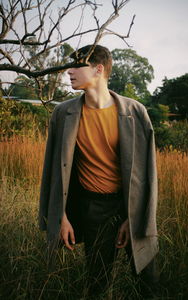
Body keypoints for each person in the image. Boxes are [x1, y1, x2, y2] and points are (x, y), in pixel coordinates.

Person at [39, 44, 159, 297]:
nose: (68, 71)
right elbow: (52, 173)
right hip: (94, 208)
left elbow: (149, 175)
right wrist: (60, 216)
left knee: (148, 283)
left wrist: (132, 217)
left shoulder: (135, 112)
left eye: (76, 66)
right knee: (97, 283)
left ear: (98, 69)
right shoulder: (63, 113)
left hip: (131, 206)